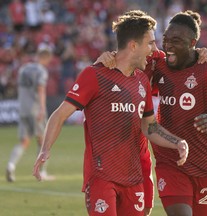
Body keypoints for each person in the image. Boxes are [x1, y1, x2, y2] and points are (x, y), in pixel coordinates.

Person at [33, 11, 189, 216]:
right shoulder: (95, 74)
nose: (154, 50)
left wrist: (177, 142)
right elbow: (60, 114)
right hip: (101, 177)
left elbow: (150, 126)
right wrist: (45, 149)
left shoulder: (142, 81)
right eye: (150, 43)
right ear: (133, 45)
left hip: (134, 178)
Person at [97, 10, 207, 216]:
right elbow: (128, 62)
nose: (168, 45)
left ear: (192, 43)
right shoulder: (157, 64)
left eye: (176, 41)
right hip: (170, 160)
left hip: (206, 160)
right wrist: (108, 58)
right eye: (166, 40)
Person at [6, 48, 54, 182]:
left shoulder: (23, 69)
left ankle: (11, 166)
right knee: (44, 141)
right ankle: (42, 173)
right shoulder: (41, 71)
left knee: (24, 141)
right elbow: (40, 89)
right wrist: (42, 109)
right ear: (46, 58)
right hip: (35, 109)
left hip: (23, 109)